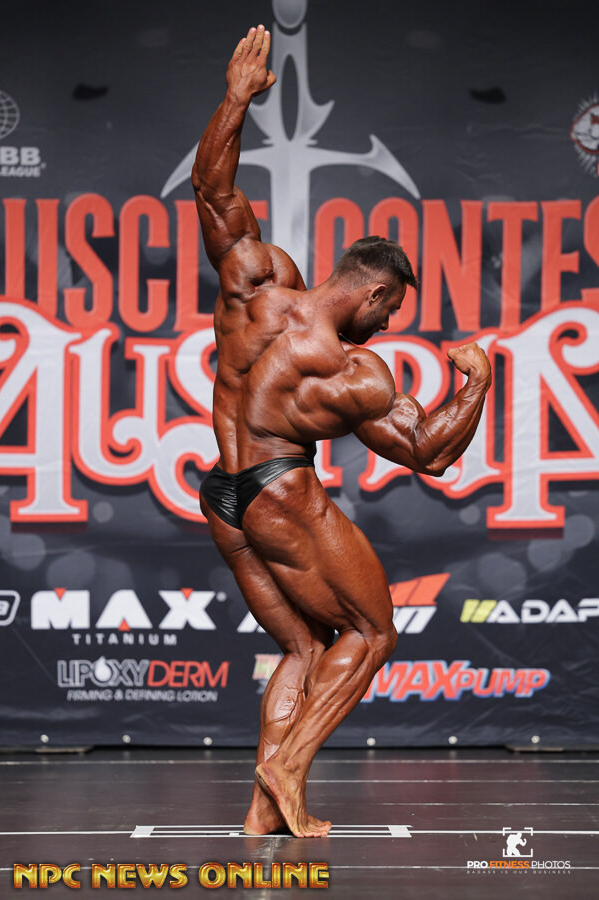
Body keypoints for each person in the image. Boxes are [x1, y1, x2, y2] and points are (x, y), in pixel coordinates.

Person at [192, 25, 492, 838]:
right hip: (280, 494)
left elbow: (212, 191)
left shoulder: (256, 284)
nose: (387, 325)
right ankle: (287, 767)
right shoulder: (358, 372)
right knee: (371, 630)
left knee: (305, 647)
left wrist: (235, 100)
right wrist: (478, 382)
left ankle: (264, 812)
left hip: (222, 497)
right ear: (375, 293)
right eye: (390, 311)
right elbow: (430, 453)